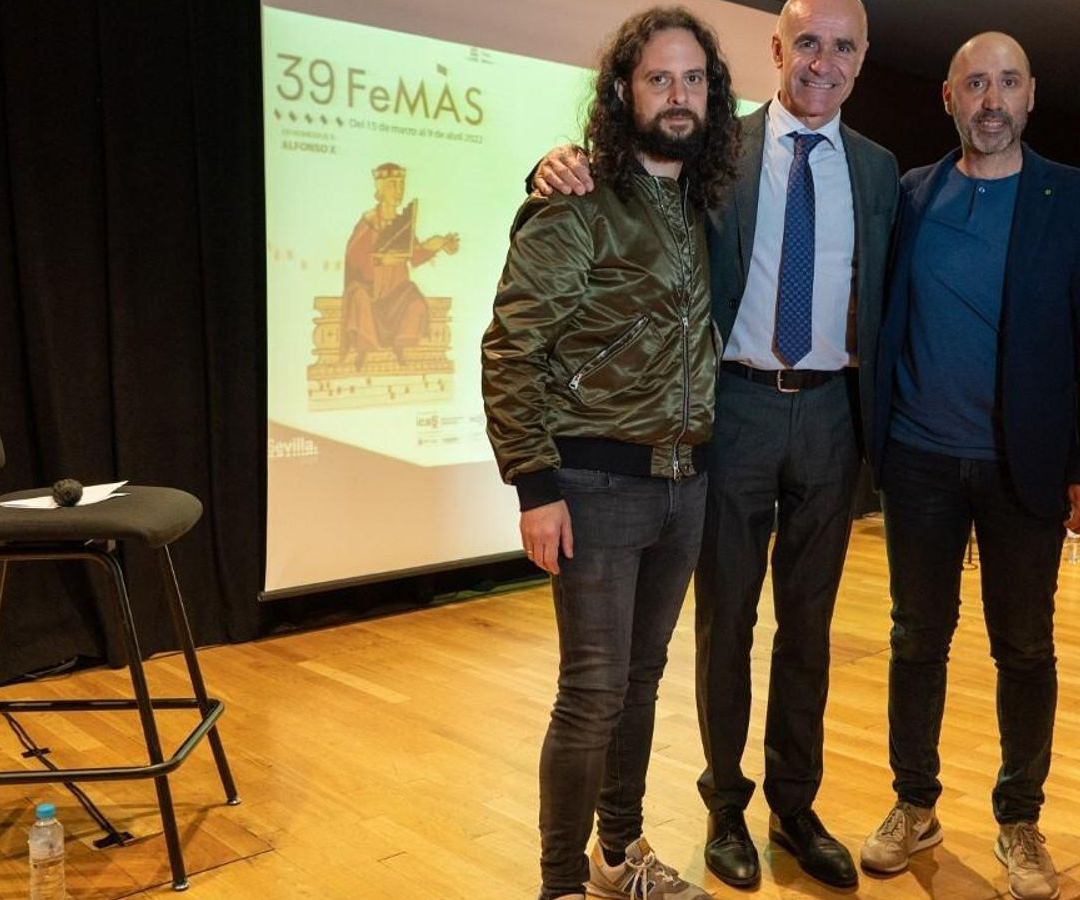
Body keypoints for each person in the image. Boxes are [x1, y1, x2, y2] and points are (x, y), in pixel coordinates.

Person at [533, 0, 898, 889]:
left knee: (808, 625)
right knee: (724, 622)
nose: (823, 61)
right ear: (775, 49)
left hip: (832, 419)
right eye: (806, 42)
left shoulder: (882, 171)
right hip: (729, 411)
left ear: (861, 59)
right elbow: (625, 173)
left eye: (843, 46)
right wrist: (550, 165)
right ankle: (725, 806)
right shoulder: (715, 149)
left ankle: (795, 805)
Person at [859, 32, 1080, 900]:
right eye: (975, 84)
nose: (991, 100)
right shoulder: (909, 197)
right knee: (915, 639)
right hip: (920, 460)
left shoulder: (1077, 200)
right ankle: (914, 803)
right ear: (949, 98)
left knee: (1024, 646)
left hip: (1028, 468)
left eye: (1007, 82)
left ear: (1031, 95)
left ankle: (1020, 819)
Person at [480, 8, 740, 899]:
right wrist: (534, 485)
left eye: (694, 79)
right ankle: (558, 885)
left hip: (686, 482)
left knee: (640, 682)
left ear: (712, 93)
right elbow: (512, 347)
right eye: (659, 79)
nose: (678, 96)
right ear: (624, 90)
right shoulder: (578, 199)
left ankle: (617, 859)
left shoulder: (699, 201)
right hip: (593, 485)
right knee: (591, 694)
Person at [342, 162, 459, 365]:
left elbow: (413, 255)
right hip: (371, 289)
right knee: (359, 299)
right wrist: (379, 260)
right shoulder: (369, 221)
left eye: (401, 185)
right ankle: (364, 352)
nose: (398, 191)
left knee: (415, 302)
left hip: (396, 289)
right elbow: (354, 257)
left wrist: (437, 245)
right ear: (381, 188)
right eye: (393, 185)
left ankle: (400, 347)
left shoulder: (402, 223)